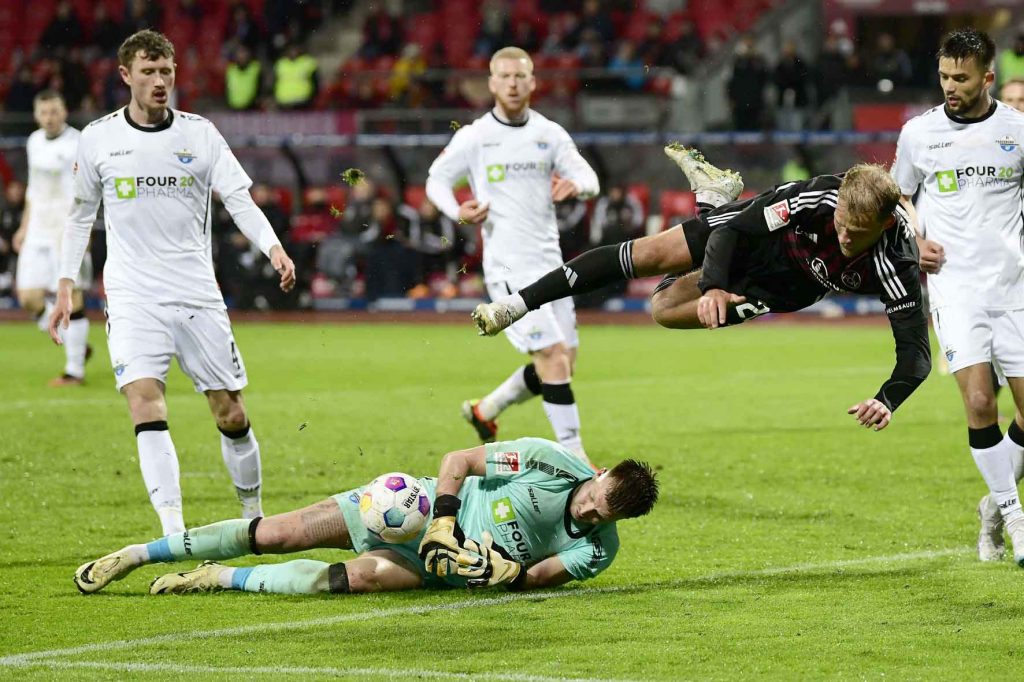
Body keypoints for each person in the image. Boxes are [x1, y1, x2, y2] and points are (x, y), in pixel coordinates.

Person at [474, 146, 931, 432]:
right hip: (752, 237)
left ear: (887, 222)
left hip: (785, 288)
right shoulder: (818, 197)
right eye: (842, 226)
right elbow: (735, 231)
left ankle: (710, 196)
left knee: (664, 309)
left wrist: (887, 398)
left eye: (858, 232)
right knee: (650, 255)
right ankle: (516, 304)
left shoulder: (897, 263)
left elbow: (915, 355)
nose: (846, 237)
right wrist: (713, 285)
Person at [49, 30, 297, 536]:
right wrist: (64, 285)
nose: (160, 82)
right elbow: (79, 217)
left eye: (166, 72)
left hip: (195, 293)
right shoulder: (98, 138)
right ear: (126, 77)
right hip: (133, 294)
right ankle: (173, 534)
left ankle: (254, 518)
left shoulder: (200, 133)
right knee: (144, 399)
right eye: (148, 72)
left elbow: (239, 198)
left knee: (229, 411)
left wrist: (272, 247)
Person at [72, 437, 659, 596]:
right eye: (593, 492)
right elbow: (458, 459)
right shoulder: (552, 462)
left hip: (443, 569)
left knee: (355, 578)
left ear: (614, 520)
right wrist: (443, 523)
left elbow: (538, 577)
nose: (586, 505)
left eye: (597, 511)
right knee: (277, 533)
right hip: (418, 510)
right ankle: (139, 553)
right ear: (599, 472)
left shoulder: (599, 551)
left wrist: (502, 571)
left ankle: (214, 577)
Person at [426, 47, 600, 461]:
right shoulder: (475, 137)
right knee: (553, 360)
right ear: (491, 83)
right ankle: (576, 461)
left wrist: (578, 187)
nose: (512, 83)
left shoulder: (549, 134)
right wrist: (458, 211)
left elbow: (588, 176)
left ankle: (486, 410)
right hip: (508, 268)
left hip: (551, 265)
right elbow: (436, 181)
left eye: (520, 76)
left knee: (562, 364)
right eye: (504, 76)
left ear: (533, 81)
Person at [892, 28, 1024, 566]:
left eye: (961, 78)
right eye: (944, 76)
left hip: (1015, 287)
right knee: (978, 402)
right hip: (956, 288)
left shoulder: (1017, 129)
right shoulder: (918, 135)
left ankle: (992, 507)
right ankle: (1015, 516)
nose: (950, 86)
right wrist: (914, 237)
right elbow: (900, 195)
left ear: (987, 77)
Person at [13, 91, 92, 387]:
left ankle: (75, 370)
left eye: (54, 111)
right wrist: (23, 227)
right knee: (28, 297)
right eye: (44, 112)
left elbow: (87, 189)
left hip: (67, 228)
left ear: (64, 112)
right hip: (37, 229)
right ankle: (75, 342)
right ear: (36, 115)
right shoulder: (33, 141)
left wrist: (83, 232)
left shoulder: (78, 141)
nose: (50, 117)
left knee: (74, 295)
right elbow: (34, 189)